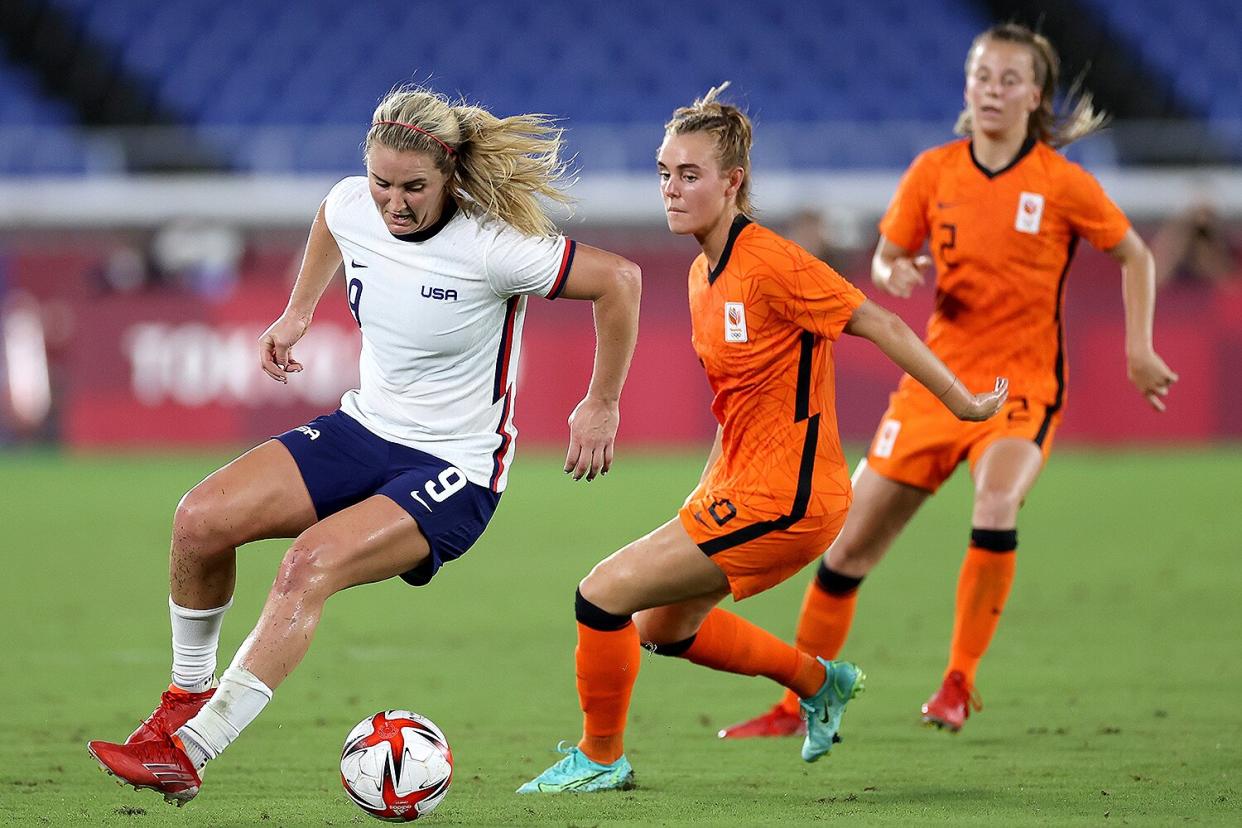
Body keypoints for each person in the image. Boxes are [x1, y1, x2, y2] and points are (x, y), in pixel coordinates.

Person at [85, 84, 642, 807]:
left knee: (305, 565)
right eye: (383, 182)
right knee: (199, 519)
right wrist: (297, 312)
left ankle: (190, 752)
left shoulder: (493, 245)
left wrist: (600, 402)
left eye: (414, 187)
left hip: (456, 469)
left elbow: (620, 281)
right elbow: (331, 217)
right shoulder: (353, 202)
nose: (394, 202)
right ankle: (185, 701)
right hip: (363, 429)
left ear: (450, 179)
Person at [517, 83, 1008, 794]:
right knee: (662, 628)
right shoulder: (698, 276)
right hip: (743, 486)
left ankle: (600, 759)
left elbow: (884, 324)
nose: (672, 190)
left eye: (689, 175)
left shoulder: (772, 262)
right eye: (664, 174)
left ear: (732, 182)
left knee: (600, 595)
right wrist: (705, 489)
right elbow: (736, 404)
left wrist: (961, 400)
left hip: (793, 497)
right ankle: (820, 681)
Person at [719, 22, 1179, 741]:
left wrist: (1140, 347)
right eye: (981, 75)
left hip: (1021, 389)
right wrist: (893, 268)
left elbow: (1136, 256)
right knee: (845, 552)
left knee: (996, 504)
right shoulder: (935, 171)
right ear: (968, 87)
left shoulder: (1061, 182)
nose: (991, 89)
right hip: (934, 391)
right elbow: (886, 254)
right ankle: (799, 702)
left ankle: (958, 682)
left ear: (1035, 94)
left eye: (1007, 78)